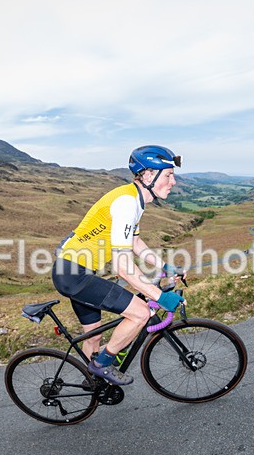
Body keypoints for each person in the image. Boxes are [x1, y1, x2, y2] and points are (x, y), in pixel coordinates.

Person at [51, 145, 186, 386]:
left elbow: (134, 241)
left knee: (94, 335)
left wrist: (165, 266)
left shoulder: (132, 198)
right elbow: (123, 267)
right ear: (147, 175)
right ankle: (102, 365)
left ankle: (91, 384)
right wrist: (159, 296)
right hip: (74, 275)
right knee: (141, 313)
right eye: (168, 175)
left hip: (72, 271)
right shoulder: (126, 203)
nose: (173, 181)